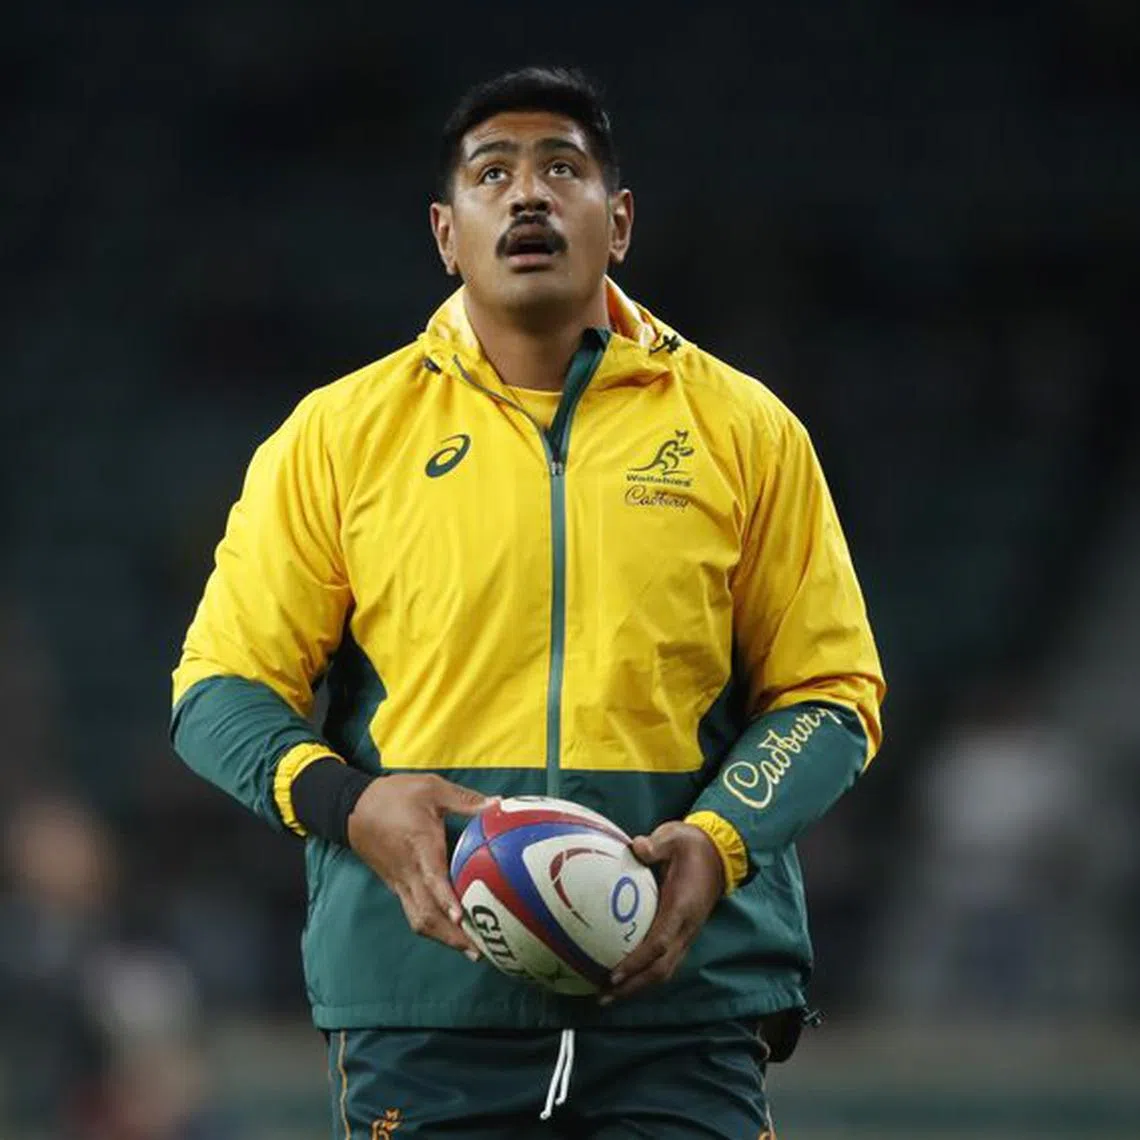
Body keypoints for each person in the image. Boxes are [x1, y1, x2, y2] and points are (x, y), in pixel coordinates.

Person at [171, 66, 885, 1139]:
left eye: (562, 168)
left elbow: (830, 694)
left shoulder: (747, 432)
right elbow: (218, 691)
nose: (529, 195)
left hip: (683, 1012)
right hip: (426, 1012)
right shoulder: (337, 438)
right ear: (446, 234)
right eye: (492, 174)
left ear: (620, 221)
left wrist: (718, 841)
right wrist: (352, 805)